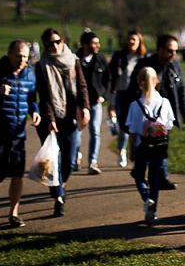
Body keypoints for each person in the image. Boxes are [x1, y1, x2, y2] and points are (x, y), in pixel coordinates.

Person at [0, 40, 41, 227]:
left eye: (25, 56)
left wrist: (35, 111)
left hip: (18, 133)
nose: (22, 60)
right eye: (18, 55)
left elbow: (31, 98)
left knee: (17, 173)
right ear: (9, 54)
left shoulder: (30, 75)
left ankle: (13, 213)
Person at [35, 28, 90, 217]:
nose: (54, 46)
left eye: (57, 41)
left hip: (70, 115)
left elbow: (82, 86)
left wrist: (85, 107)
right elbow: (44, 96)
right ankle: (58, 197)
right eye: (50, 43)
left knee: (70, 156)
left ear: (63, 41)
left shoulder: (73, 60)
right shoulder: (41, 65)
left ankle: (61, 185)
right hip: (49, 118)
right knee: (53, 159)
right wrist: (50, 119)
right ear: (44, 45)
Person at [128, 34, 185, 189]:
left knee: (162, 145)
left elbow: (182, 89)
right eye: (170, 50)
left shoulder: (174, 66)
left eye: (175, 51)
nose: (173, 54)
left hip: (164, 113)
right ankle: (141, 172)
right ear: (160, 49)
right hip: (145, 113)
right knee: (144, 146)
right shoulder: (146, 65)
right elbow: (132, 88)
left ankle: (160, 177)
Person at [126, 66, 176, 225]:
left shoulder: (135, 105)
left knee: (139, 175)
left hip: (142, 145)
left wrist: (131, 149)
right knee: (154, 177)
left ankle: (146, 197)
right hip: (159, 145)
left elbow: (133, 130)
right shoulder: (164, 102)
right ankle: (152, 212)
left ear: (139, 82)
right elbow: (169, 126)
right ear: (156, 81)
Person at [110, 30, 146, 168]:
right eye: (129, 39)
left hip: (136, 96)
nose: (131, 42)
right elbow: (111, 78)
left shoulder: (143, 58)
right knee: (123, 126)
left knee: (136, 126)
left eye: (134, 39)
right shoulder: (119, 56)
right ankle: (122, 150)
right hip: (121, 94)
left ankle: (135, 153)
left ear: (139, 42)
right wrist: (111, 100)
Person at [77, 31, 111, 174]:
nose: (98, 45)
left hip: (96, 101)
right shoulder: (75, 59)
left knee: (95, 131)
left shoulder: (101, 59)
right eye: (94, 43)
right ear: (85, 45)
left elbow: (108, 79)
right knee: (77, 131)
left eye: (98, 43)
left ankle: (92, 162)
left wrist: (103, 95)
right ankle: (75, 159)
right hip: (79, 102)